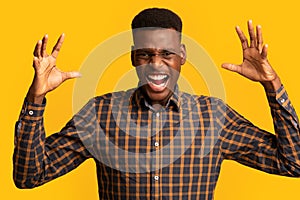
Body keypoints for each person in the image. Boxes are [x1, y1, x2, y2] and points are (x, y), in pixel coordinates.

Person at [13, 8, 300, 200]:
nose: (156, 65)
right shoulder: (100, 114)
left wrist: (271, 84)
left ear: (183, 55)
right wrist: (36, 98)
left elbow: (293, 163)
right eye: (145, 55)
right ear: (132, 58)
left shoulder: (213, 116)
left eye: (167, 54)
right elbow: (30, 176)